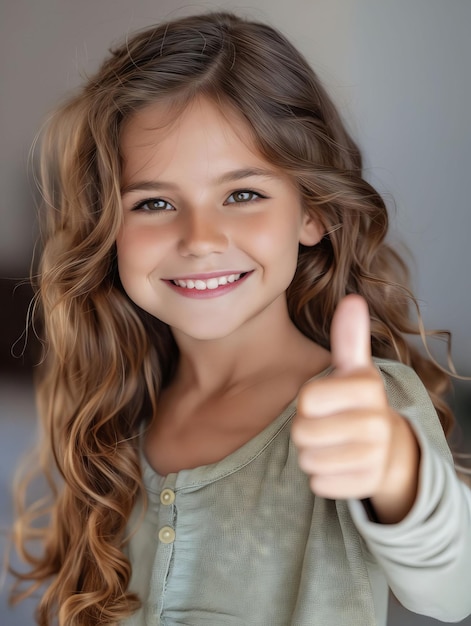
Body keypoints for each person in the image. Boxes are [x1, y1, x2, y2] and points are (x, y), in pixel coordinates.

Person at [9, 10, 471, 626]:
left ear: (313, 212)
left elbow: (454, 588)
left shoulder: (362, 407)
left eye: (242, 194)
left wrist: (397, 473)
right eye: (153, 202)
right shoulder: (118, 418)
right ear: (107, 231)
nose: (200, 238)